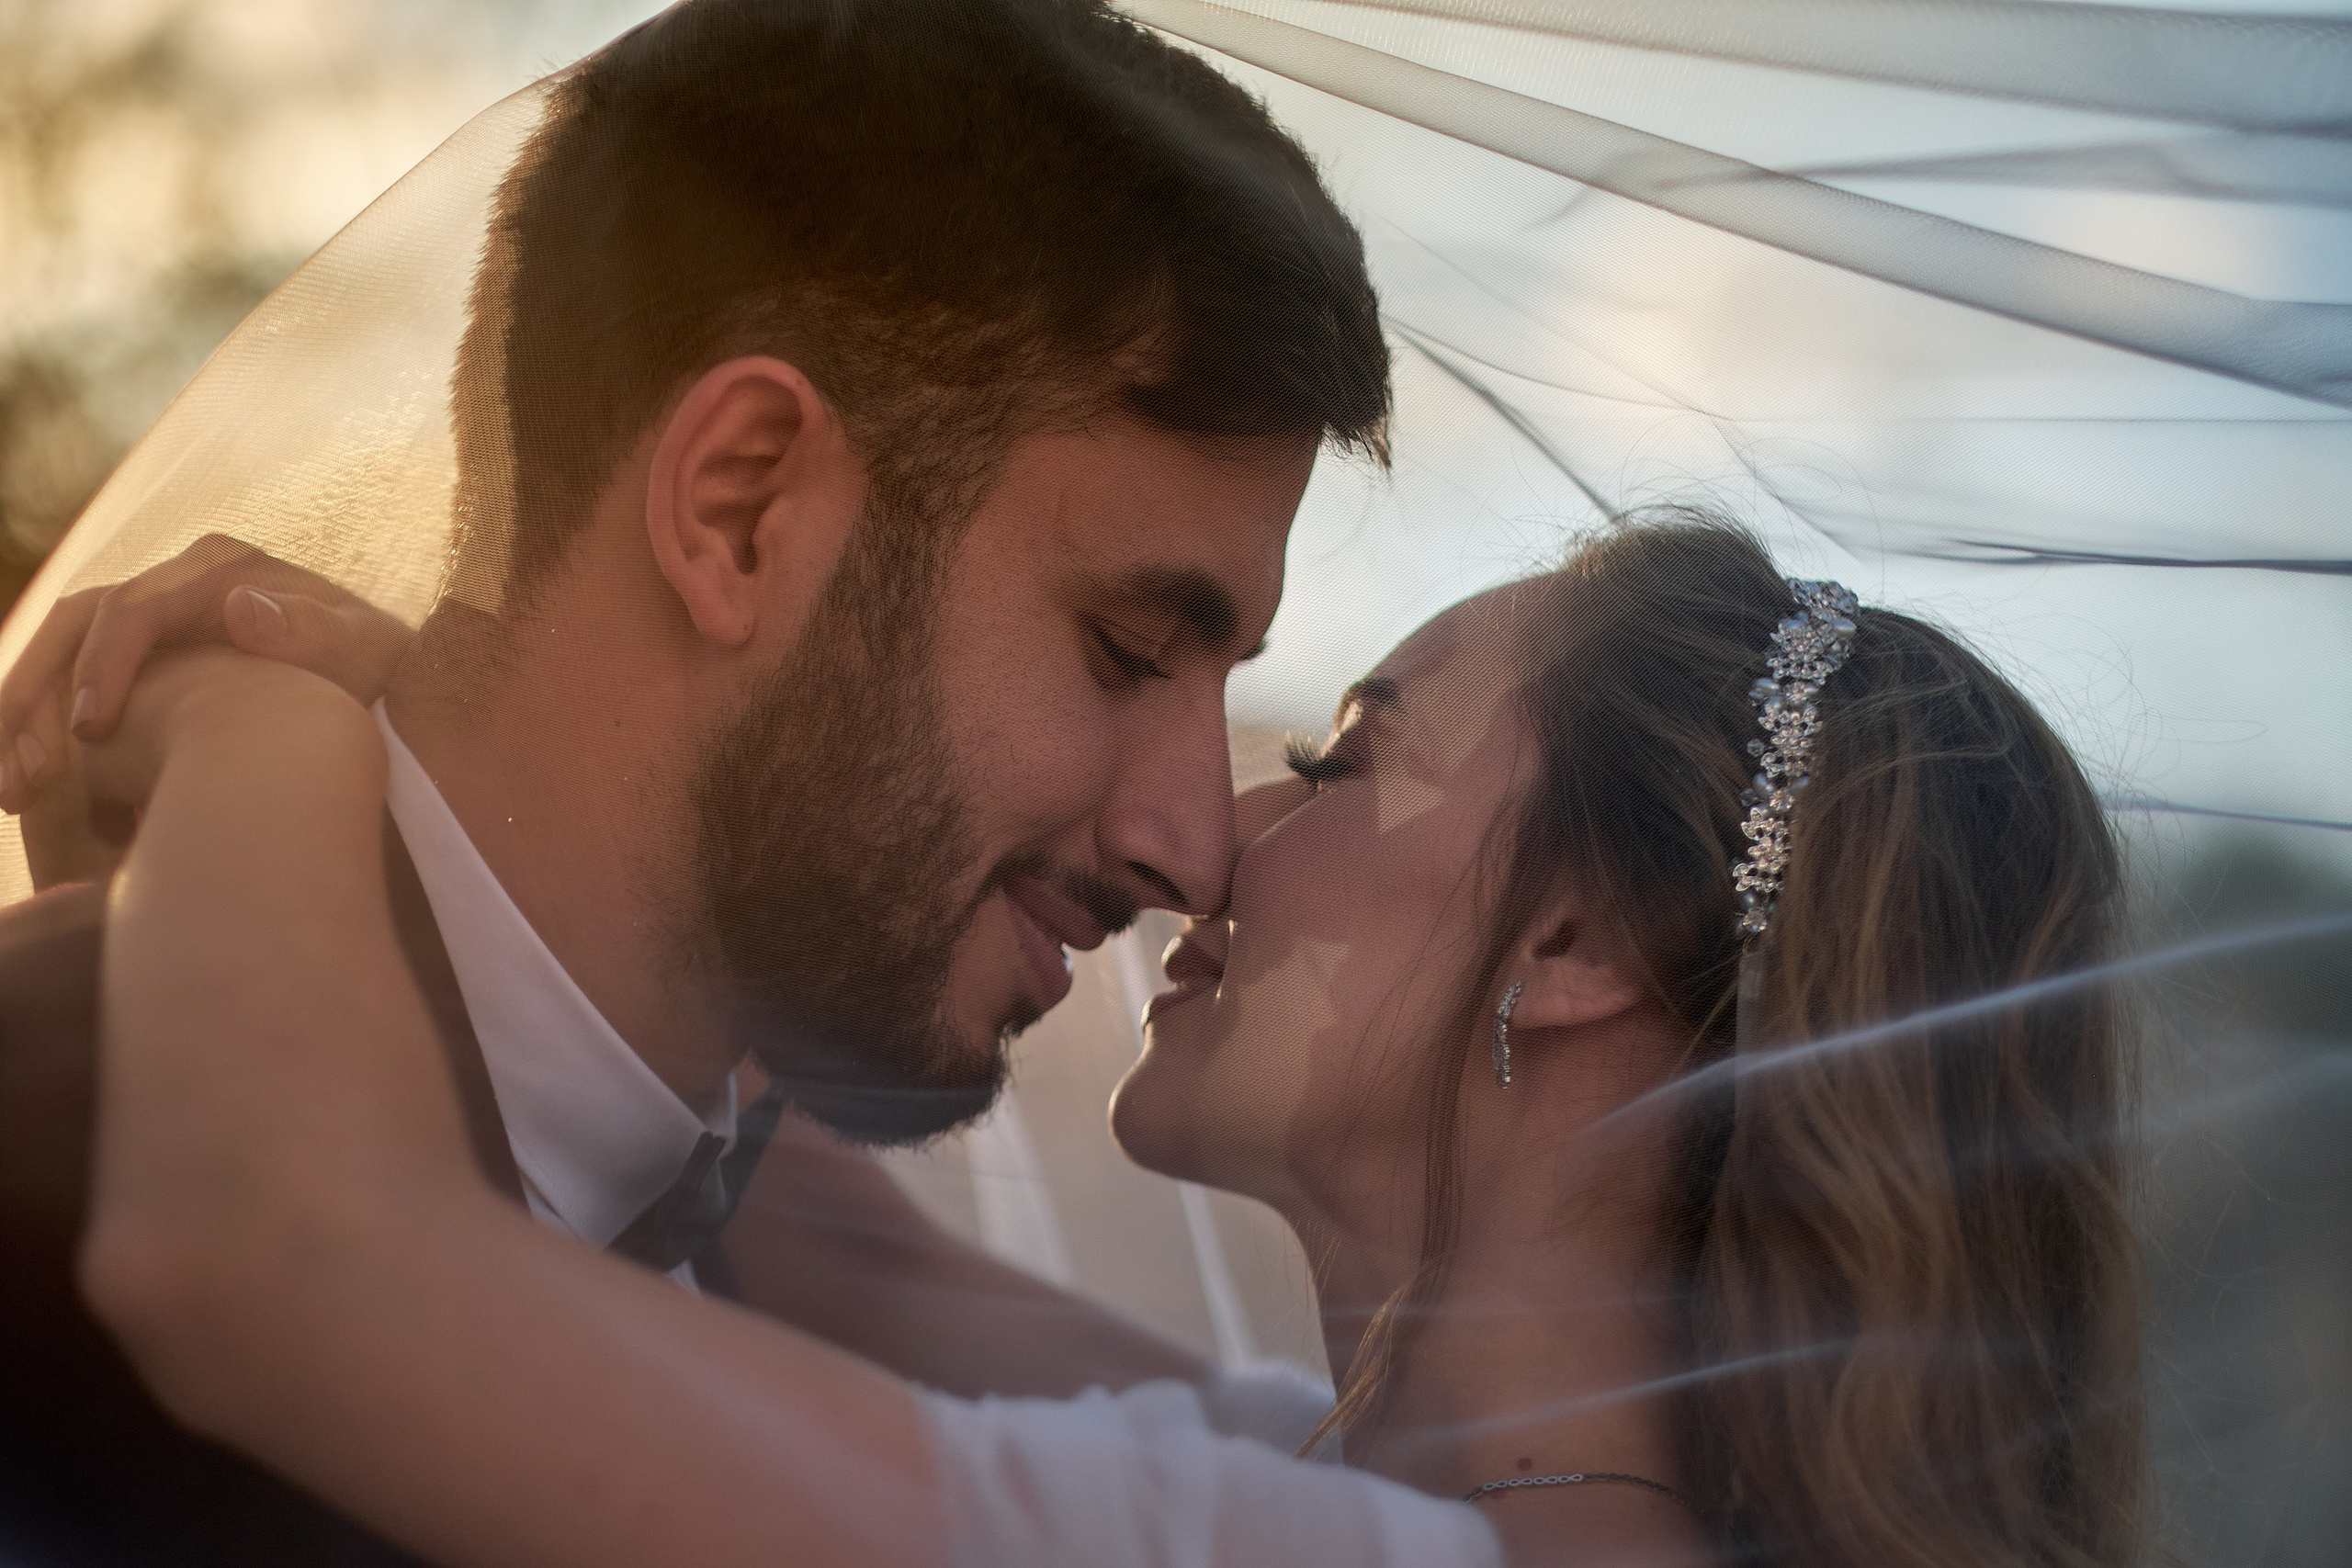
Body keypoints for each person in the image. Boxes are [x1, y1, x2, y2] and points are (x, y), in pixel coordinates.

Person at [65, 513, 2148, 1568]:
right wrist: (503, 747)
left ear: (1582, 934)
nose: (1208, 837)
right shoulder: (1333, 1462)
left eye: (1347, 760)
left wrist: (253, 724)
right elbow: (837, 1249)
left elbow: (264, 1251)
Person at [0, 0, 1389, 1559]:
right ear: (738, 511)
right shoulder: (44, 1130)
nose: (1194, 847)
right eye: (1129, 651)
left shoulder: (744, 1257)